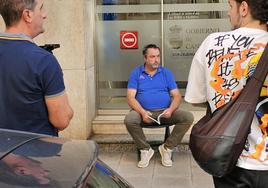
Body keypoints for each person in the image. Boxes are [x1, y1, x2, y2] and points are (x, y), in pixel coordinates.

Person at [185, 0, 268, 187]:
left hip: (230, 159)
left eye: (231, 6)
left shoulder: (211, 43)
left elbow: (195, 99)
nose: (229, 14)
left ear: (244, 8)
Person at [0, 0, 73, 136]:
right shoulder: (43, 60)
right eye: (41, 8)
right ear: (27, 15)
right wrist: (69, 111)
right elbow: (61, 120)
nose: (44, 15)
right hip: (36, 153)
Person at [124, 44, 194, 168]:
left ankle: (167, 148)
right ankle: (145, 150)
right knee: (129, 119)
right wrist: (142, 112)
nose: (156, 59)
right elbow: (130, 97)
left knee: (187, 117)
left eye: (158, 56)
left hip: (164, 112)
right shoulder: (136, 73)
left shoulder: (166, 73)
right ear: (145, 58)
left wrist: (171, 110)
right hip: (144, 113)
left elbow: (177, 96)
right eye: (152, 57)